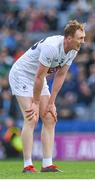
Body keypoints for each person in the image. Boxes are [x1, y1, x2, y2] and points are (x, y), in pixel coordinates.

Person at [9, 19, 85, 173]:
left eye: (83, 38)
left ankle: (47, 164)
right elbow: (38, 77)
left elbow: (60, 75)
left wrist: (51, 102)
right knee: (32, 117)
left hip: (38, 78)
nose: (83, 41)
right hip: (22, 75)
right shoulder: (52, 47)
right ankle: (27, 164)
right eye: (80, 38)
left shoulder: (73, 50)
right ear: (69, 38)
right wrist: (36, 103)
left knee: (50, 117)